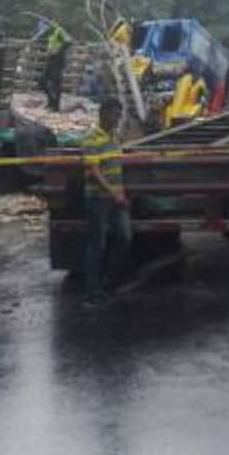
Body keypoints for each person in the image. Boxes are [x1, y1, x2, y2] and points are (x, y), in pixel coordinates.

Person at [79, 98, 131, 306]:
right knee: (97, 244)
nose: (117, 120)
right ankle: (93, 290)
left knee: (125, 237)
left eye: (119, 115)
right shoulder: (91, 139)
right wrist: (113, 193)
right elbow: (94, 172)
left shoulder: (114, 137)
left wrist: (120, 193)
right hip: (98, 199)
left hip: (116, 197)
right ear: (102, 114)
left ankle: (109, 281)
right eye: (114, 115)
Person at [39, 22, 72, 112]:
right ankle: (51, 102)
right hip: (50, 59)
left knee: (56, 83)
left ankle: (55, 107)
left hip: (58, 60)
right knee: (42, 81)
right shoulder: (51, 33)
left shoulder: (59, 30)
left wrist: (58, 51)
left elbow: (69, 41)